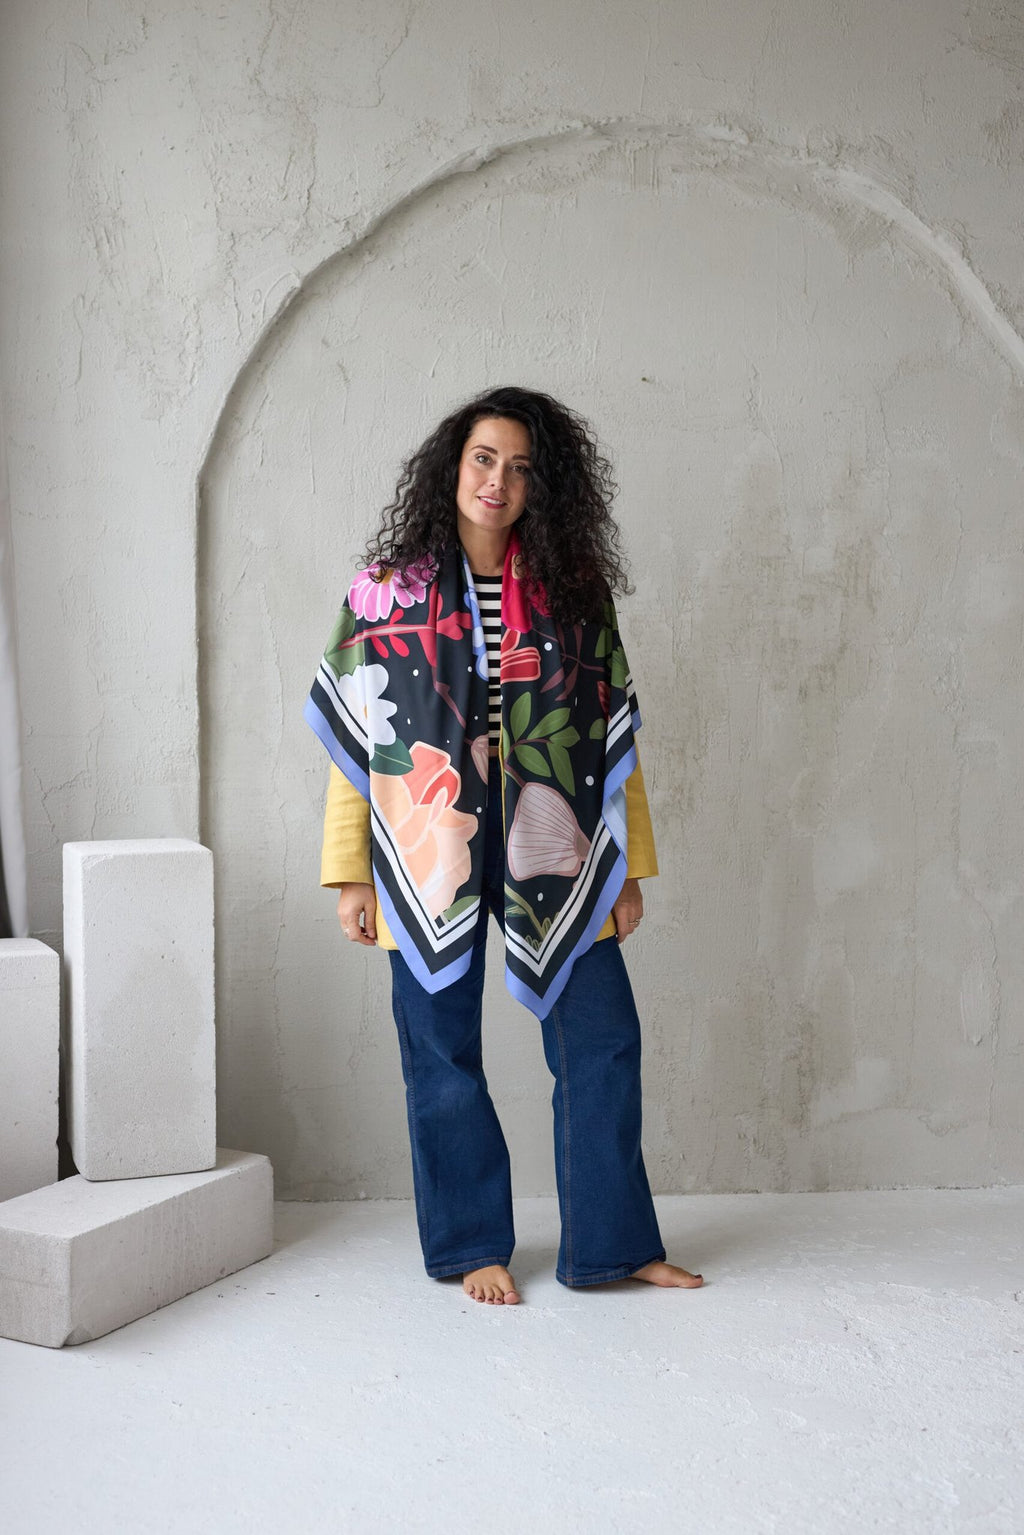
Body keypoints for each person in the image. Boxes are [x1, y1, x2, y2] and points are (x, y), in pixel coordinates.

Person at [305, 386, 703, 1306]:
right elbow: (362, 747)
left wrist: (628, 872)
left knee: (603, 1039)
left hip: (556, 842)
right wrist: (350, 874)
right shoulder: (385, 592)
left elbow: (611, 748)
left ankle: (614, 1245)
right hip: (425, 843)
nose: (499, 481)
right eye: (484, 458)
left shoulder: (574, 592)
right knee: (440, 1050)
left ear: (541, 485)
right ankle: (470, 1244)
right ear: (453, 466)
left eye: (521, 468)